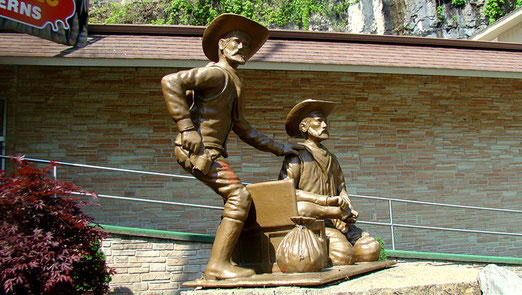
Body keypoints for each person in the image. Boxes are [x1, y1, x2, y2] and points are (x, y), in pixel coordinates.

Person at [161, 14, 302, 280]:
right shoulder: (215, 73)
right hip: (198, 151)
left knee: (238, 199)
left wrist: (279, 148)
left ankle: (231, 258)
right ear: (222, 46)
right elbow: (170, 81)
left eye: (246, 45)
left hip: (209, 152)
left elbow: (242, 127)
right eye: (236, 42)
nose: (242, 48)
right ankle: (218, 265)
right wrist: (186, 127)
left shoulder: (234, 81)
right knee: (239, 197)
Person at [279, 99, 381, 265]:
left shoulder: (332, 159)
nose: (325, 125)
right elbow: (285, 191)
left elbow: (341, 188)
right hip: (312, 221)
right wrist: (325, 202)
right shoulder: (296, 156)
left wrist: (347, 206)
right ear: (304, 127)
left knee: (370, 250)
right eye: (319, 121)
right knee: (343, 255)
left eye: (325, 121)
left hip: (338, 220)